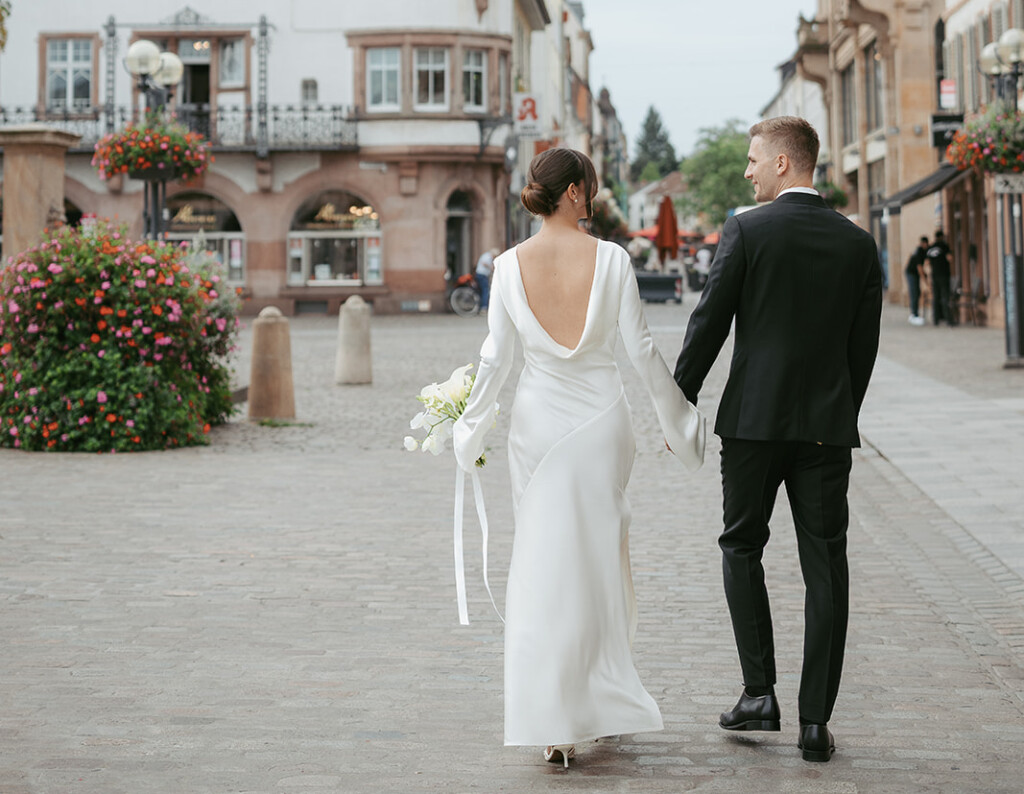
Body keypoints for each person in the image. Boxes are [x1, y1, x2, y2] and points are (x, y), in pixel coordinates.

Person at [453, 147, 705, 768]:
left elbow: (496, 358)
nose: (591, 195)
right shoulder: (613, 259)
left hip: (538, 425)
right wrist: (679, 423)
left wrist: (469, 427)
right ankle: (598, 699)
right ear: (572, 192)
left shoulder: (507, 266)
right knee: (597, 562)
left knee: (541, 562)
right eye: (588, 185)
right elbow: (641, 350)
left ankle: (554, 722)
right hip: (600, 422)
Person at [673, 116, 882, 763]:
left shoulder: (746, 230)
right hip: (825, 431)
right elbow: (864, 348)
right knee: (827, 568)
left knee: (742, 546)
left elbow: (708, 323)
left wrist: (676, 401)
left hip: (753, 425)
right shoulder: (857, 244)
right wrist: (837, 412)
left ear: (784, 163)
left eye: (753, 159)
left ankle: (759, 693)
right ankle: (815, 723)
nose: (747, 171)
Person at [926, 230, 954, 326]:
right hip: (944, 275)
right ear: (942, 237)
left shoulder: (931, 248)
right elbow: (950, 258)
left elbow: (927, 262)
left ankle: (936, 319)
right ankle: (948, 318)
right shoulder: (944, 246)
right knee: (945, 297)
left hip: (935, 275)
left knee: (936, 297)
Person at [906, 236, 929, 326]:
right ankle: (914, 314)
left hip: (913, 273)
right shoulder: (919, 251)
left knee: (917, 292)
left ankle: (915, 313)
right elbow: (919, 268)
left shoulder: (921, 251)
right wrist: (926, 281)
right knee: (914, 292)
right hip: (911, 273)